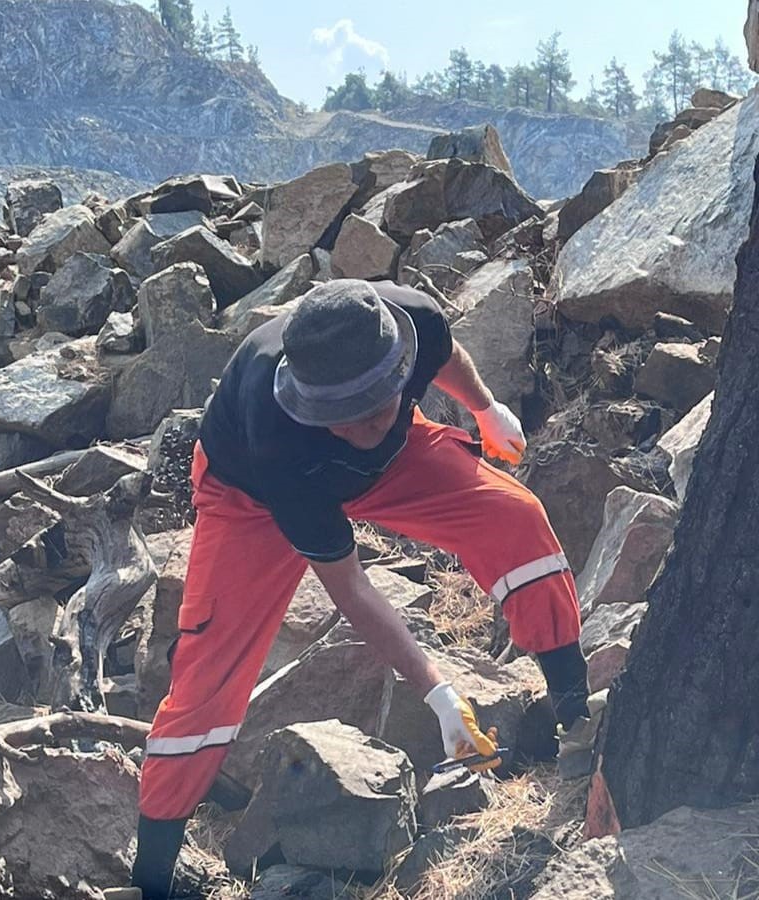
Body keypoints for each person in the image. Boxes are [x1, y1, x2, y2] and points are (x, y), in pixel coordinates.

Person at [125, 278, 591, 899]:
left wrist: (483, 408)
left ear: (398, 370)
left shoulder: (413, 321)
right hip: (251, 499)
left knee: (515, 517)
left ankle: (575, 714)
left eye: (373, 407)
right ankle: (152, 875)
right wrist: (436, 694)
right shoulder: (276, 438)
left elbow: (445, 355)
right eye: (338, 418)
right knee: (208, 679)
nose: (358, 426)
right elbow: (349, 587)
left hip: (388, 464)